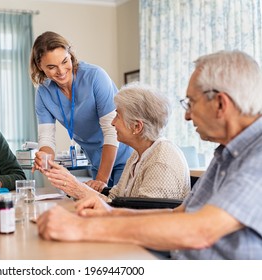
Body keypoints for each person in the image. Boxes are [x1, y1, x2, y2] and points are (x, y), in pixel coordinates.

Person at [37, 50, 262, 259]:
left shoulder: (257, 156)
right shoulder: (227, 153)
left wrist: (81, 227)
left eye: (191, 103)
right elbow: (179, 215)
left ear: (221, 104)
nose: (187, 116)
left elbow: (200, 231)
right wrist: (109, 214)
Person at [42, 83, 190, 201]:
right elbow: (115, 199)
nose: (113, 123)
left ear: (137, 126)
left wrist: (77, 188)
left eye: (117, 116)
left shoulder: (160, 162)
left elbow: (140, 218)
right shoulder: (137, 156)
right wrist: (77, 188)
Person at [29, 31, 132, 190]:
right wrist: (44, 156)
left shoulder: (95, 77)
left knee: (120, 209)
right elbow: (47, 138)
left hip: (126, 157)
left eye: (64, 61)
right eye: (51, 67)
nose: (61, 71)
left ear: (70, 55)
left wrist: (101, 180)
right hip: (97, 161)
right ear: (40, 67)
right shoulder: (43, 93)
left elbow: (111, 132)